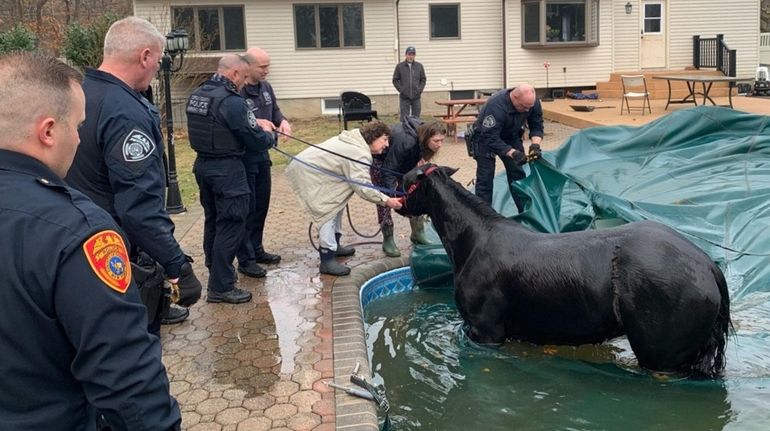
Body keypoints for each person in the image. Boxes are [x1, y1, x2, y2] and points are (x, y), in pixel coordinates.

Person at [0, 51, 181, 431]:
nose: (80, 138)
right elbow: (125, 378)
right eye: (78, 126)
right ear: (48, 131)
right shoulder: (76, 231)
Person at [66, 17, 201, 331]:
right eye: (157, 60)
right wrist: (177, 265)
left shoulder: (81, 93)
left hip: (77, 246)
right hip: (115, 256)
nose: (157, 68)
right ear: (145, 57)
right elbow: (138, 207)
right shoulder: (125, 112)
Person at [186, 54, 276, 304]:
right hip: (228, 170)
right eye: (244, 78)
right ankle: (221, 286)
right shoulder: (232, 101)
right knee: (232, 224)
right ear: (234, 74)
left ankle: (215, 269)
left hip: (203, 165)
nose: (244, 83)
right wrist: (270, 136)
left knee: (213, 221)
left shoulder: (198, 95)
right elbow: (254, 138)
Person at [286, 121, 403, 276]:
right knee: (327, 209)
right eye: (384, 139)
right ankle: (327, 260)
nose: (387, 145)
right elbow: (362, 187)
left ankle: (335, 246)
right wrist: (386, 200)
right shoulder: (359, 153)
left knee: (338, 202)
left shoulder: (356, 140)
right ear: (373, 137)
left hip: (317, 170)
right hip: (308, 172)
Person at [235, 47, 290, 278]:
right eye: (263, 67)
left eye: (268, 66)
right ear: (248, 67)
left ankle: (257, 249)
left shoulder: (266, 88)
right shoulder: (237, 91)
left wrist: (283, 121)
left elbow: (274, 111)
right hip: (244, 158)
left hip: (263, 156)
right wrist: (257, 122)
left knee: (261, 207)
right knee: (247, 209)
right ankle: (245, 260)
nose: (267, 70)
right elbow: (237, 120)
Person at [371, 117, 446, 257]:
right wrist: (392, 196)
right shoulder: (406, 141)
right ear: (426, 137)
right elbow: (388, 169)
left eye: (442, 140)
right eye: (436, 141)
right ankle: (388, 239)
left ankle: (418, 233)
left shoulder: (422, 140)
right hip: (382, 162)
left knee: (416, 191)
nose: (439, 145)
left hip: (403, 161)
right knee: (384, 200)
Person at [471, 84, 544, 212]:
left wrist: (535, 145)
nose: (527, 110)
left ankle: (526, 212)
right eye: (524, 107)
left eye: (529, 107)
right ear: (515, 97)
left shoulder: (531, 103)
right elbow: (490, 137)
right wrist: (512, 153)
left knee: (518, 174)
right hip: (485, 138)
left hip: (511, 135)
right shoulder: (496, 105)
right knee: (485, 179)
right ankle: (484, 216)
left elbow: (536, 125)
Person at [392, 46, 427, 121]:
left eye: (413, 54)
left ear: (414, 55)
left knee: (416, 118)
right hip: (404, 97)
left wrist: (419, 89)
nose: (411, 56)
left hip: (416, 97)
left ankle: (415, 132)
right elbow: (395, 80)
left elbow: (423, 79)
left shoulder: (419, 66)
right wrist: (402, 90)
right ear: (406, 55)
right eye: (409, 54)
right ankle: (404, 132)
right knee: (404, 119)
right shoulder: (400, 66)